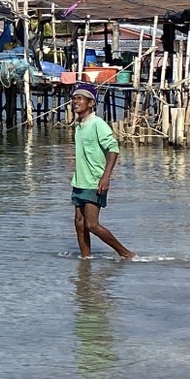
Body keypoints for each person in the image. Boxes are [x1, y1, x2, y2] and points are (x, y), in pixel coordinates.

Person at [71, 84, 133, 260]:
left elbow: (113, 149)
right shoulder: (79, 125)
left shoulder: (97, 124)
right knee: (79, 223)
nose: (75, 102)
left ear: (90, 103)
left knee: (92, 224)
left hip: (94, 182)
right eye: (74, 99)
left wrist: (106, 177)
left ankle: (126, 253)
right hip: (79, 181)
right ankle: (86, 260)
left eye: (80, 99)